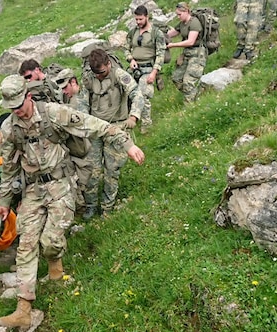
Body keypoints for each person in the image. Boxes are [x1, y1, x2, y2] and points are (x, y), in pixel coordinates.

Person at [0, 74, 145, 331]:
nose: (17, 110)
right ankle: (23, 309)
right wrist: (4, 201)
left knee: (50, 241)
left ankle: (55, 272)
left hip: (61, 184)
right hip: (33, 188)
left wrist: (127, 144)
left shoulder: (54, 113)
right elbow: (8, 168)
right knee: (26, 242)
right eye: (11, 107)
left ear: (29, 96)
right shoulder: (9, 129)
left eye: (19, 104)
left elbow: (94, 125)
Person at [80, 48, 145, 220]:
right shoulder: (88, 78)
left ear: (108, 64)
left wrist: (134, 115)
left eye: (102, 72)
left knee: (112, 170)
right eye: (96, 74)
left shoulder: (119, 75)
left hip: (117, 126)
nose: (99, 76)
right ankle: (91, 206)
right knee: (91, 170)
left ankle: (107, 208)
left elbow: (137, 93)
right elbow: (82, 103)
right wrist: (84, 124)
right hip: (95, 128)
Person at [54, 68, 92, 213]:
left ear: (73, 82)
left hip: (85, 148)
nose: (64, 91)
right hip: (76, 149)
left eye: (65, 87)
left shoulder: (81, 98)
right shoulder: (70, 98)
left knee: (87, 180)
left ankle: (88, 208)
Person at [124, 5, 166, 134]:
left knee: (143, 95)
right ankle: (129, 119)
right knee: (127, 92)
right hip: (134, 68)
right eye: (136, 19)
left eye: (140, 19)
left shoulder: (156, 33)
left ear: (147, 17)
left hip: (148, 68)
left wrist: (154, 72)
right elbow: (126, 47)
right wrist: (130, 59)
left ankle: (146, 125)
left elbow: (160, 54)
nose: (138, 22)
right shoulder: (133, 32)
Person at [166, 2, 207, 104]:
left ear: (186, 11)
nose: (178, 17)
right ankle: (195, 94)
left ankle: (189, 107)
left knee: (188, 82)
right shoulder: (182, 24)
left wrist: (173, 45)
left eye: (180, 14)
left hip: (197, 54)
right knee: (176, 78)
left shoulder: (194, 23)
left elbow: (190, 41)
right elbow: (170, 34)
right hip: (187, 54)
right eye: (177, 14)